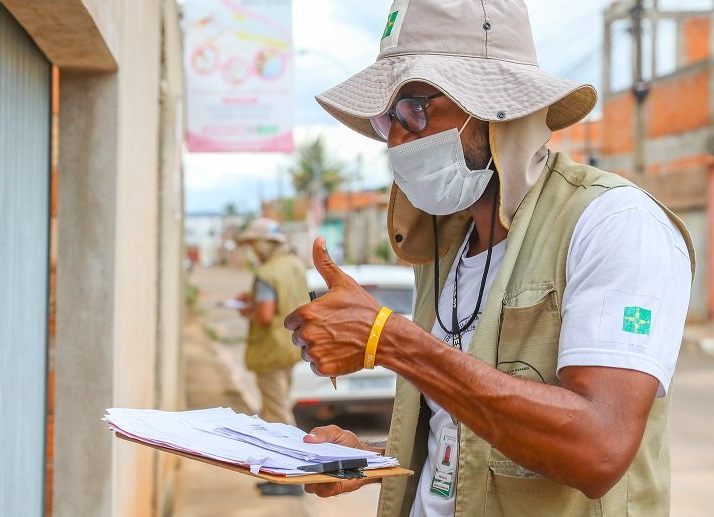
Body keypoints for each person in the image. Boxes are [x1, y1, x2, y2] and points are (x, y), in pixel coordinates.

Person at [284, 1, 694, 516]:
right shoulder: (447, 247)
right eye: (384, 117)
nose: (395, 137)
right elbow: (467, 440)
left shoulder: (616, 224)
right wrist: (369, 461)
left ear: (494, 105)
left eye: (414, 107)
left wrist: (392, 340)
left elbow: (599, 448)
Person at [234, 217, 307, 427]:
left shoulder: (266, 273)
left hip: (270, 351)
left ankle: (293, 457)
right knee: (275, 407)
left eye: (254, 244)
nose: (253, 250)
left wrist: (249, 310)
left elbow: (265, 315)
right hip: (292, 346)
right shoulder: (295, 265)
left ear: (264, 243)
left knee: (278, 416)